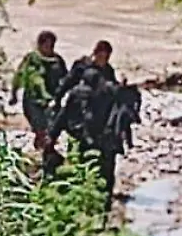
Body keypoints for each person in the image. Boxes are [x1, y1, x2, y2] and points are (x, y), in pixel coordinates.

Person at [51, 67, 123, 198]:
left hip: (80, 136)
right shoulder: (106, 93)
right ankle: (104, 201)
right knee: (105, 172)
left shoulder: (76, 93)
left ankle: (82, 196)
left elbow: (63, 116)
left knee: (81, 167)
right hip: (102, 138)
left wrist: (52, 136)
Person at [11, 30, 68, 153]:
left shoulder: (58, 61)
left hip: (51, 101)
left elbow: (67, 79)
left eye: (52, 45)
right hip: (33, 101)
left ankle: (45, 152)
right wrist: (14, 94)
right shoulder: (32, 59)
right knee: (40, 128)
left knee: (50, 129)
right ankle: (41, 152)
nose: (50, 48)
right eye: (47, 45)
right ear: (40, 44)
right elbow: (19, 75)